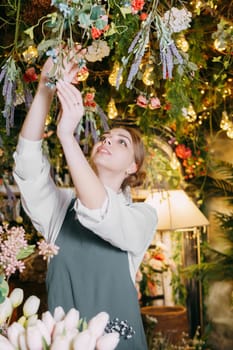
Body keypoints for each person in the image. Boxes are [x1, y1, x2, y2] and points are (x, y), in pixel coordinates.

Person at [13, 53, 158, 349]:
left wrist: (67, 136)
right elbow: (27, 165)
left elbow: (100, 210)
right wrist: (45, 87)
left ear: (133, 168)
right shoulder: (62, 207)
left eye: (121, 142)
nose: (107, 140)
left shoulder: (142, 216)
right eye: (105, 136)